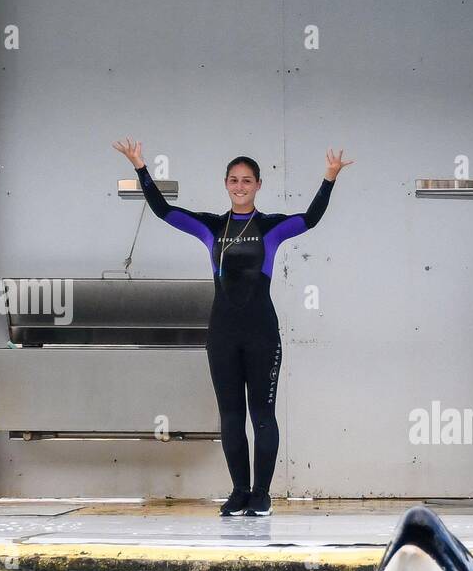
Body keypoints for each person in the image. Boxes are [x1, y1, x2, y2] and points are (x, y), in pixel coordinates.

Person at [113, 138, 352, 515]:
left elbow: (310, 218)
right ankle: (239, 491)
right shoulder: (211, 227)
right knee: (231, 415)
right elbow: (163, 211)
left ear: (258, 185)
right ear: (226, 184)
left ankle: (261, 493)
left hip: (261, 334)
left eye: (247, 181)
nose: (240, 187)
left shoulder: (271, 228)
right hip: (222, 334)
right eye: (234, 180)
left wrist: (330, 178)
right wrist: (141, 167)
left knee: (262, 414)